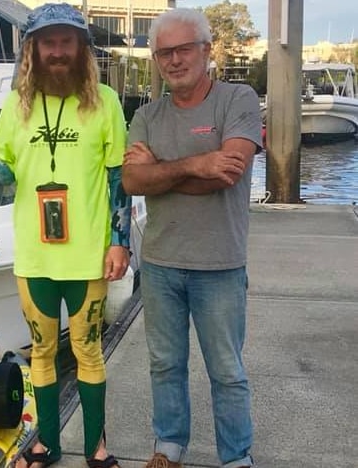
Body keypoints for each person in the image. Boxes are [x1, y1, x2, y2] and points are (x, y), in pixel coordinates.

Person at [0, 3, 131, 468]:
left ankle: (97, 448)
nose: (57, 52)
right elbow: (5, 173)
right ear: (33, 49)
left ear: (81, 48)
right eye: (48, 43)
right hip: (35, 259)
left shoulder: (106, 101)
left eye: (66, 42)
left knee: (88, 352)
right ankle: (47, 446)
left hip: (87, 258)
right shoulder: (16, 106)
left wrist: (121, 242)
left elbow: (120, 178)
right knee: (40, 350)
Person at [121, 8, 261, 468]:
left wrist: (160, 169)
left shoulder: (238, 99)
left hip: (220, 264)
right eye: (165, 52)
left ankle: (236, 456)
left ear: (206, 50)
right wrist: (197, 163)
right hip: (160, 263)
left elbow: (230, 171)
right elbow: (132, 182)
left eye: (184, 49)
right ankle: (170, 444)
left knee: (227, 371)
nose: (174, 60)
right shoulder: (146, 114)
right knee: (165, 364)